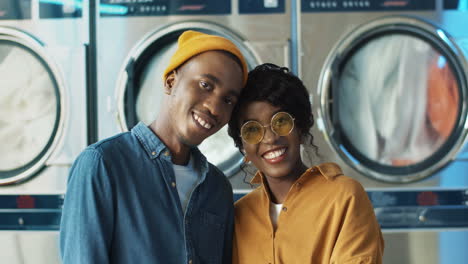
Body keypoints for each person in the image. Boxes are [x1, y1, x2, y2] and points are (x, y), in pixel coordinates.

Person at [60, 30, 248, 264]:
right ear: (171, 81)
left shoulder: (217, 187)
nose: (215, 107)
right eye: (205, 85)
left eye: (228, 100)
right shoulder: (103, 165)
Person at [227, 63, 384, 263]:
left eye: (281, 121)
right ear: (242, 146)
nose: (270, 139)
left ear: (301, 128)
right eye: (252, 130)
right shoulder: (239, 216)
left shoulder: (344, 197)